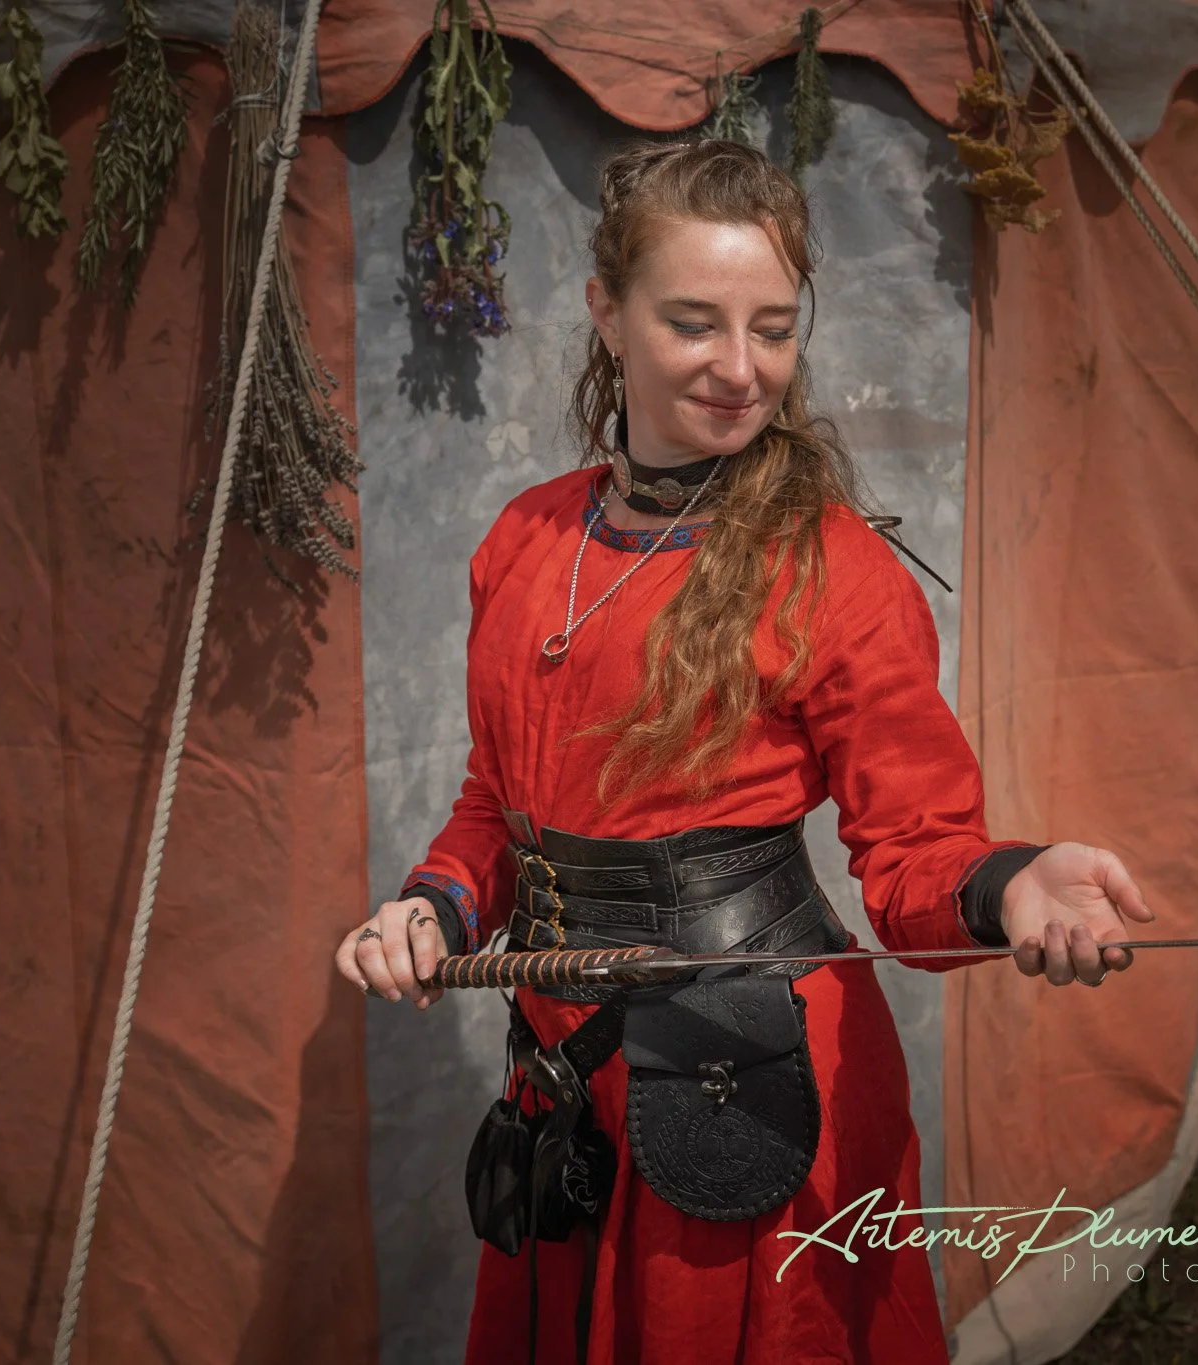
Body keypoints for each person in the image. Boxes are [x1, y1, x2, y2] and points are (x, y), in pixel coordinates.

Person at [333, 139, 1154, 1365]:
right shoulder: (525, 538)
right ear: (608, 315)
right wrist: (436, 909)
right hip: (564, 1069)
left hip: (751, 1070)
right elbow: (495, 806)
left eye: (770, 328)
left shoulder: (834, 570)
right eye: (693, 322)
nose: (739, 367)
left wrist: (1009, 884)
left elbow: (917, 851)